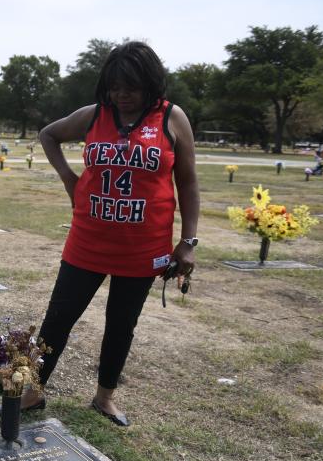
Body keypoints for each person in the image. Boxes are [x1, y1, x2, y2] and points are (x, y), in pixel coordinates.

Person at [22, 41, 200, 427]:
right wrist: (70, 179)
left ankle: (105, 398)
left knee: (122, 324)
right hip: (88, 241)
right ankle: (32, 391)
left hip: (143, 247)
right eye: (116, 87)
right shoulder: (94, 115)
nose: (122, 95)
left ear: (151, 84)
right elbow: (48, 135)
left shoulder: (172, 118)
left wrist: (187, 242)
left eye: (131, 87)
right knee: (58, 319)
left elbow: (187, 183)